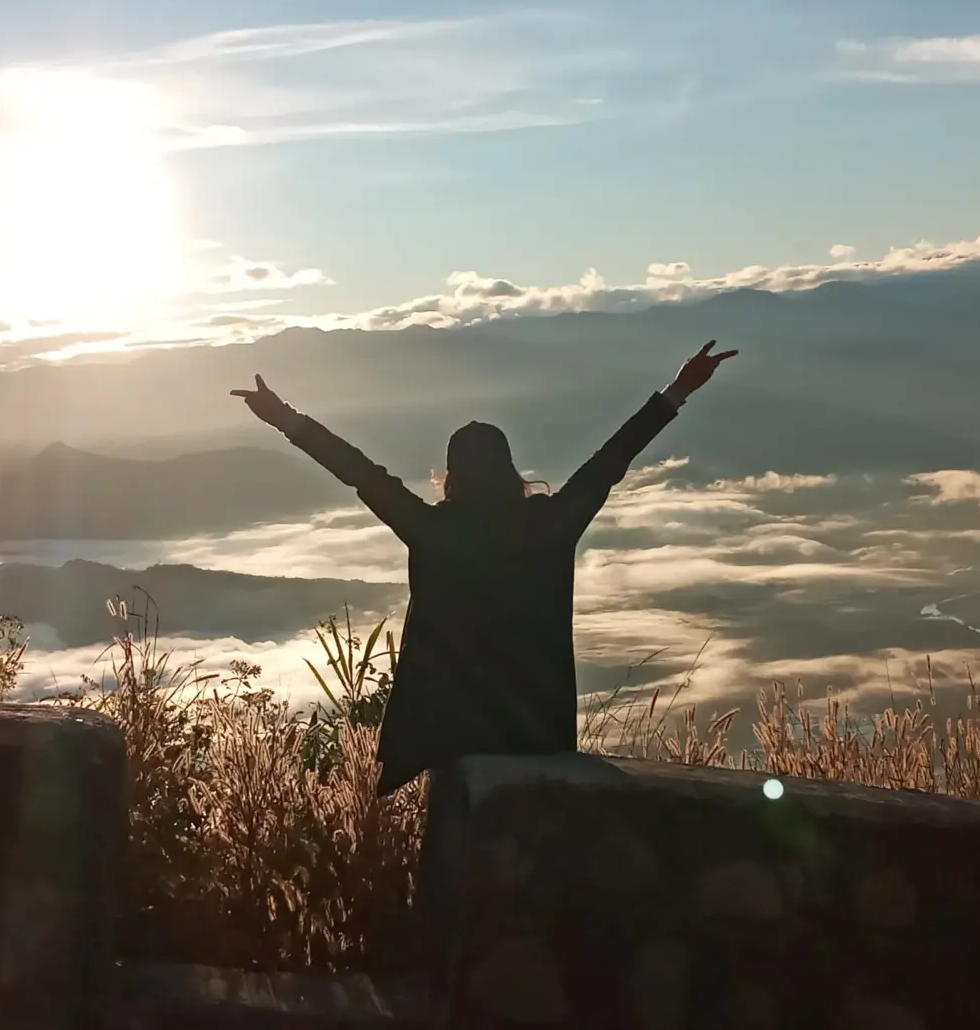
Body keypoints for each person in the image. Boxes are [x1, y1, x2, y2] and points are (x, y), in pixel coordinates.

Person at [231, 340, 738, 796]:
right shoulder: (552, 523)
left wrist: (284, 417)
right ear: (510, 471)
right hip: (539, 736)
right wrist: (678, 389)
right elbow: (611, 460)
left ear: (451, 477)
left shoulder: (432, 529)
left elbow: (360, 472)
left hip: (452, 740)